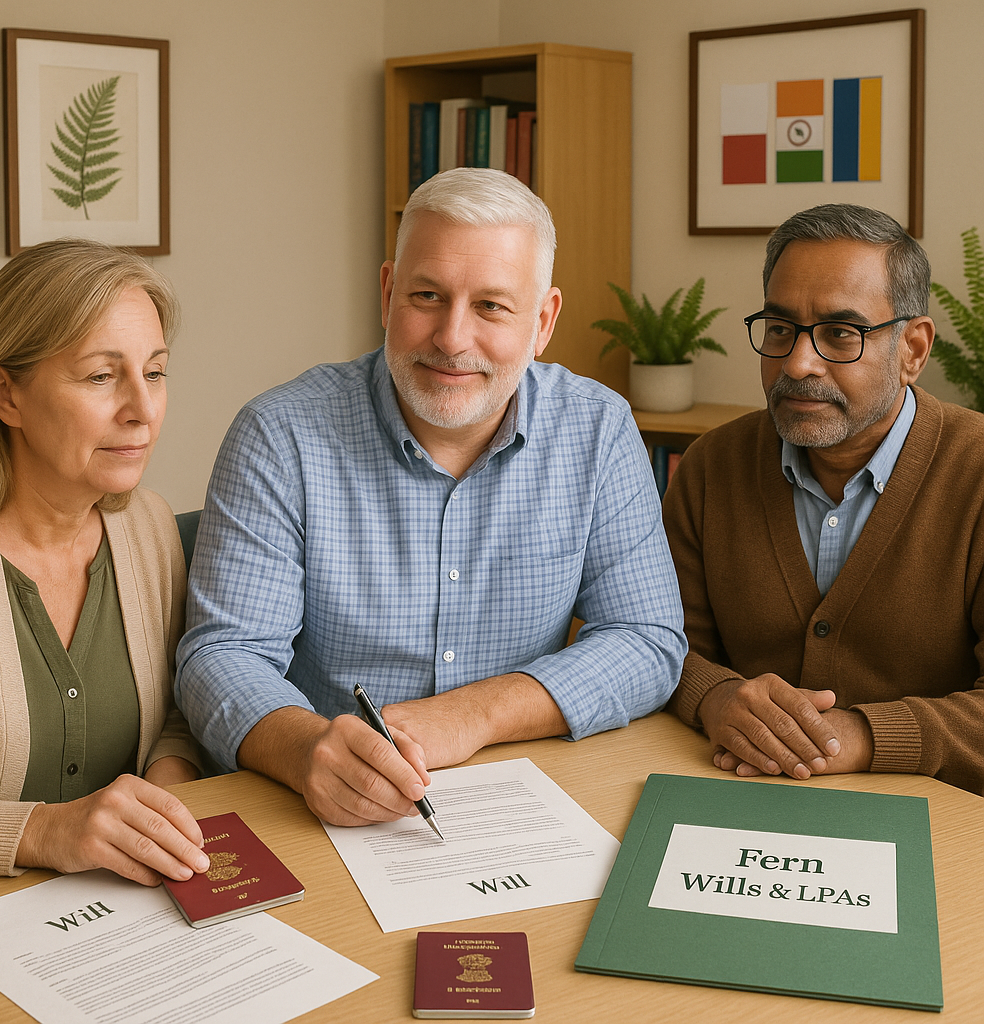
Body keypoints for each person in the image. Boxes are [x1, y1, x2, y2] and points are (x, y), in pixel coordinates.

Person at [177, 167, 685, 826]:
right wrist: (306, 750)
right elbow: (224, 656)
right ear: (388, 292)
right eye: (427, 296)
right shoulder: (279, 434)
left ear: (543, 321)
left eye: (491, 306)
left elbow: (646, 639)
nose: (451, 338)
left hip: (518, 795)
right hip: (319, 806)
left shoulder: (598, 429)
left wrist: (475, 715)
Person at [664, 203, 984, 794]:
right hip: (737, 794)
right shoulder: (711, 465)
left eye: (841, 333)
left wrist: (858, 737)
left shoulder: (976, 473)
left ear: (913, 350)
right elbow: (659, 644)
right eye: (779, 328)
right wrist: (715, 695)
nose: (798, 362)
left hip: (937, 815)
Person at [0, 238, 210, 882]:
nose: (143, 411)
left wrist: (164, 792)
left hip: (120, 909)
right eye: (101, 376)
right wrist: (44, 831)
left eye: (154, 372)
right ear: (6, 395)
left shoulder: (149, 528)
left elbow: (175, 714)